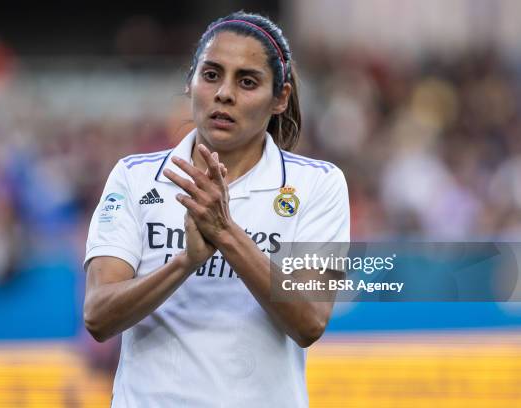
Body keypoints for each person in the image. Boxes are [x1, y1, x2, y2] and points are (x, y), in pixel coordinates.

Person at [83, 11, 350, 407]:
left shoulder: (318, 184)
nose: (224, 93)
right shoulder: (133, 179)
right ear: (189, 82)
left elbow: (310, 320)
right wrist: (184, 262)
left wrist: (224, 233)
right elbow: (98, 316)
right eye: (211, 75)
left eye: (247, 81)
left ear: (281, 98)